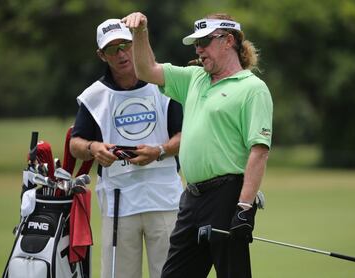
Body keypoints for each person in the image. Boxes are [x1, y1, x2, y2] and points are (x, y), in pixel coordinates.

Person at [122, 12, 273, 278]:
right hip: (191, 199)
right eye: (196, 43)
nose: (199, 49)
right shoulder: (194, 78)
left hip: (227, 197)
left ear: (228, 41)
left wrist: (244, 208)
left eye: (205, 41)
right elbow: (146, 70)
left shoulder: (253, 88)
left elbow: (259, 151)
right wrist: (140, 32)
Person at [69, 18, 184, 278]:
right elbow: (75, 143)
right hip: (118, 202)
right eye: (112, 49)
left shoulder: (164, 85)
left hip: (165, 199)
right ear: (102, 55)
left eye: (125, 45)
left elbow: (185, 135)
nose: (121, 54)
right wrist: (93, 147)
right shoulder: (94, 96)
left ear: (134, 44)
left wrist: (160, 151)